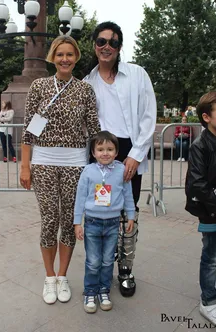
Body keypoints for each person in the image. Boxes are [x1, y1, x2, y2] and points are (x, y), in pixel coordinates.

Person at [20, 36, 100, 306]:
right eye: (60, 54)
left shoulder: (85, 90)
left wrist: (105, 163)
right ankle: (49, 276)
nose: (65, 59)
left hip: (75, 165)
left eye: (70, 54)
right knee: (49, 220)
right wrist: (24, 166)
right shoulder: (39, 86)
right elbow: (29, 128)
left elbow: (94, 128)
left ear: (76, 57)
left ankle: (63, 276)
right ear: (52, 57)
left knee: (69, 221)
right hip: (42, 162)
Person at [84, 21, 156, 296]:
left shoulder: (137, 74)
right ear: (94, 45)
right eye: (101, 41)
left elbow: (149, 115)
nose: (107, 46)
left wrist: (136, 156)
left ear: (119, 47)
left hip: (129, 151)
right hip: (101, 154)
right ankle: (102, 267)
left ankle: (125, 269)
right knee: (103, 210)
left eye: (113, 42)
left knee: (129, 211)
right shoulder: (87, 82)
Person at [185, 91, 216, 331]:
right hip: (211, 210)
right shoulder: (200, 146)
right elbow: (197, 183)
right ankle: (209, 301)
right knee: (212, 256)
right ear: (206, 117)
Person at [74, 131, 135, 313]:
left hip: (113, 223)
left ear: (117, 152)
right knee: (93, 261)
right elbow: (80, 197)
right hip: (92, 222)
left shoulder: (121, 170)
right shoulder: (88, 171)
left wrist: (130, 215)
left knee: (108, 260)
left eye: (110, 149)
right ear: (93, 152)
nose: (105, 153)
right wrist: (78, 222)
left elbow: (127, 194)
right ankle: (90, 291)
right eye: (100, 149)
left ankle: (104, 290)